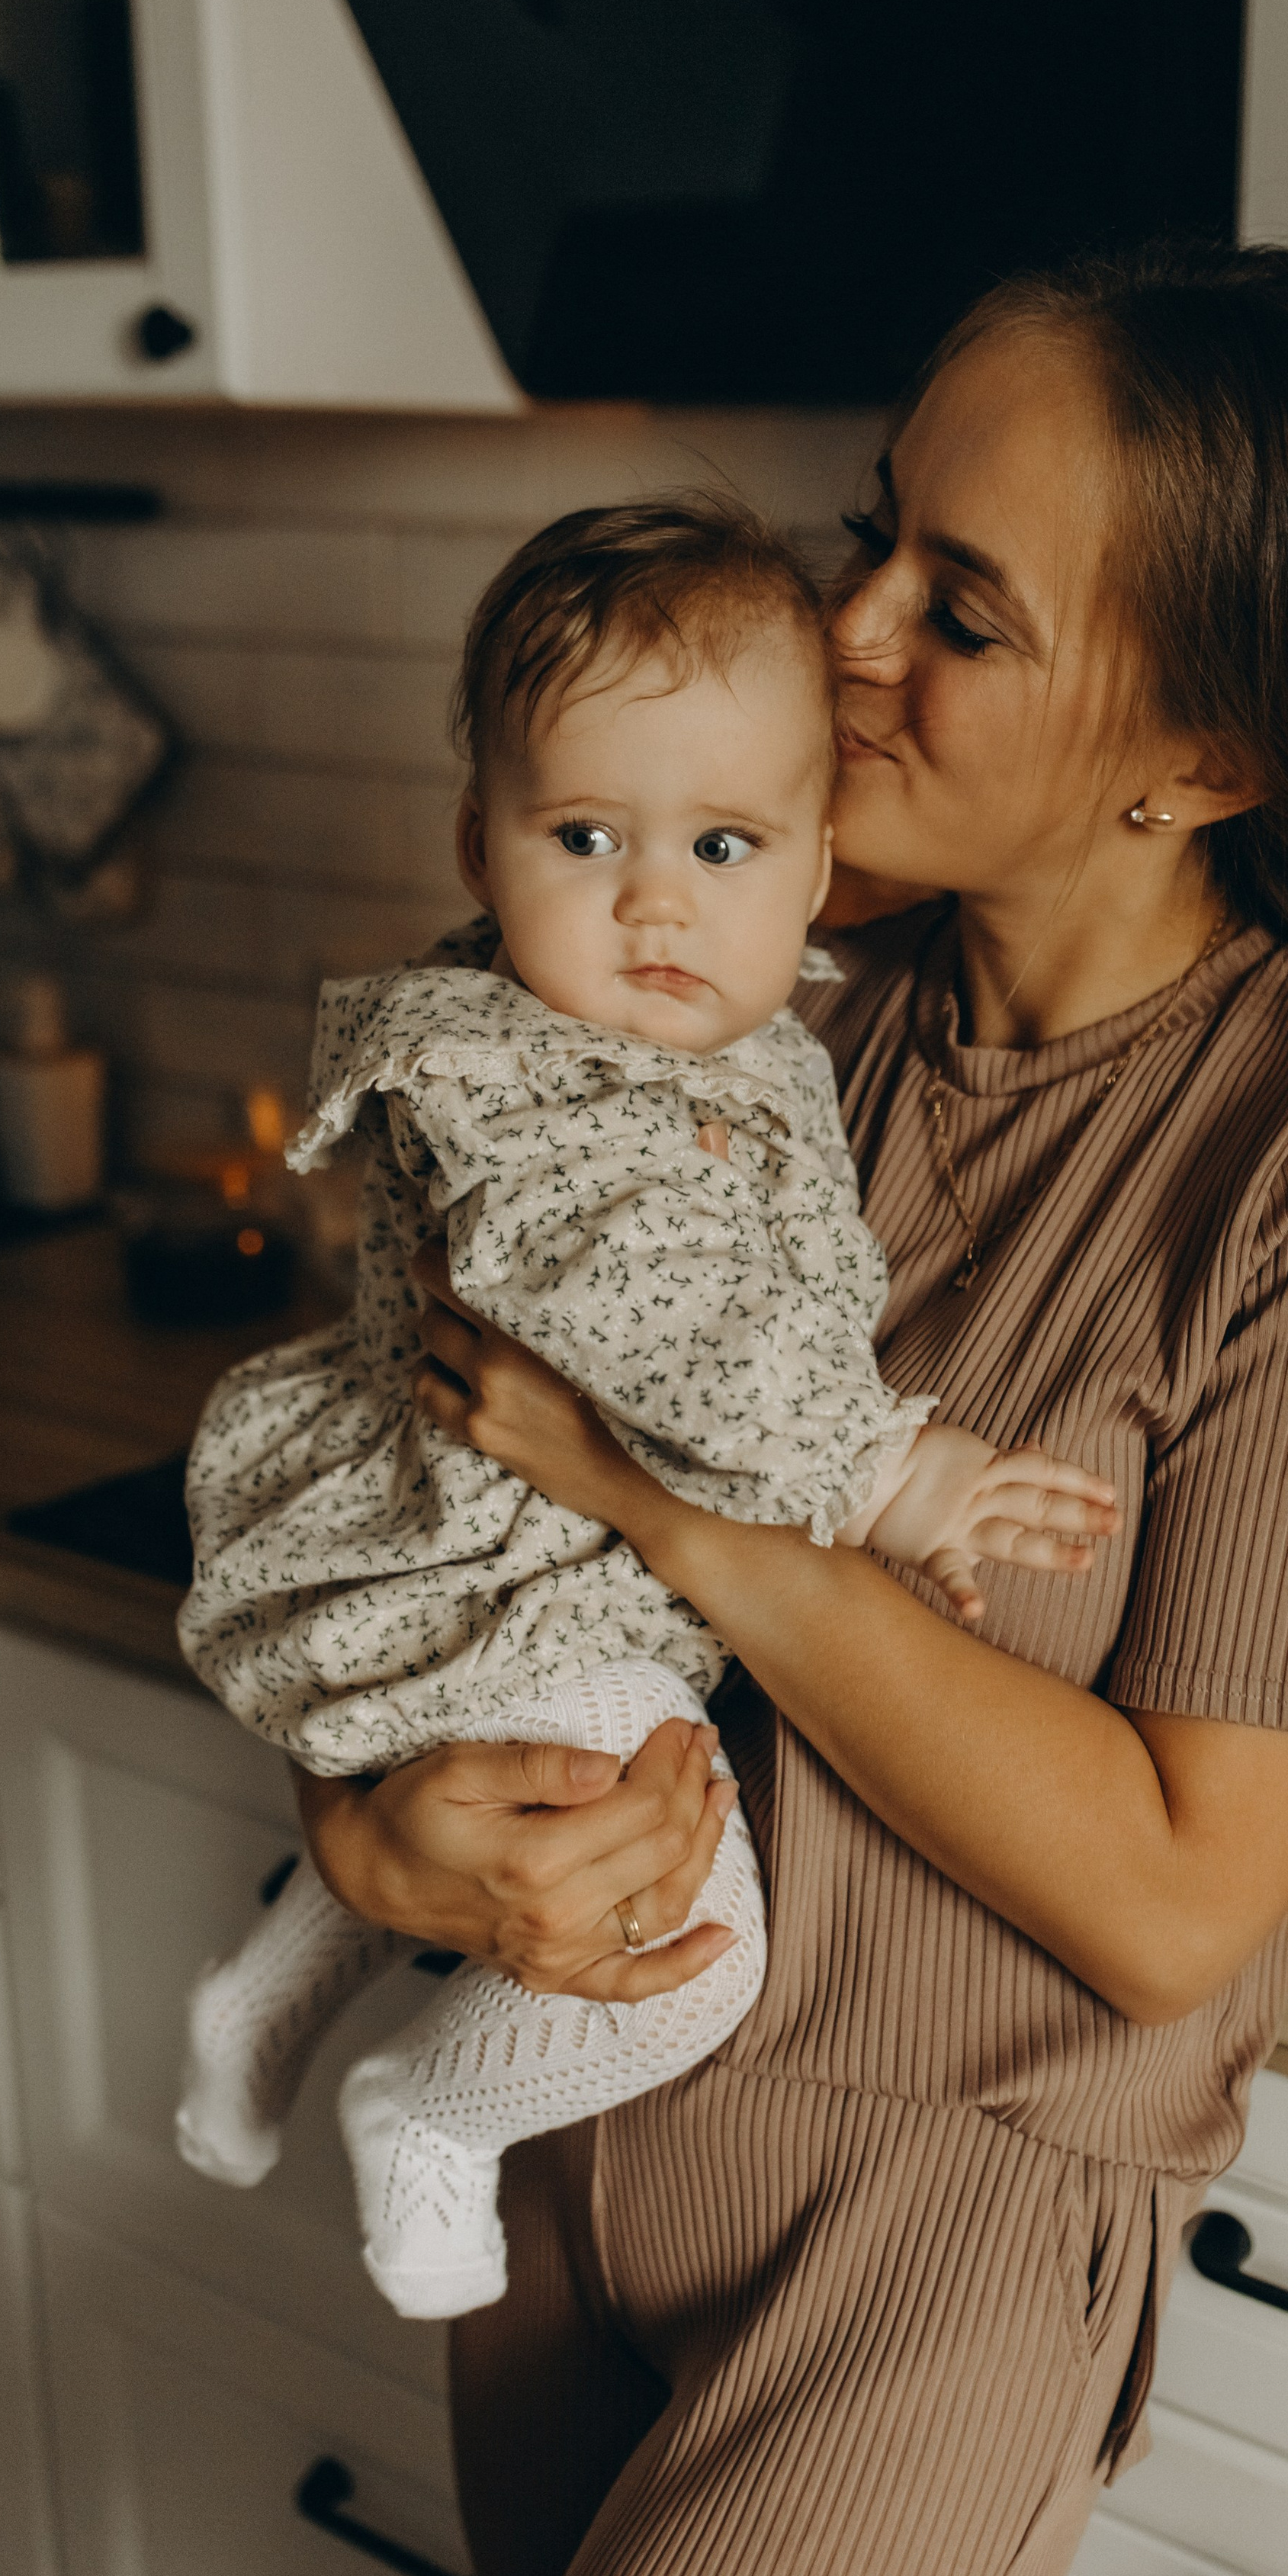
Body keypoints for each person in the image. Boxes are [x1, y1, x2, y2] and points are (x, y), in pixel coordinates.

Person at [294, 243, 1288, 2576]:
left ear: (1197, 756)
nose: (843, 632)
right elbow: (404, 1481)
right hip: (551, 2125)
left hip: (928, 2236)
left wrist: (692, 1521)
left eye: (958, 604)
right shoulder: (741, 982)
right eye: (873, 535)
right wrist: (373, 1843)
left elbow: (1175, 1899)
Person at [173, 496, 1115, 2321]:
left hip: (555, 1562)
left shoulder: (731, 1029)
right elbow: (637, 1306)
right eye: (585, 835)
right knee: (685, 1952)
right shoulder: (525, 1076)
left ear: (815, 858)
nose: (654, 901)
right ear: (482, 844)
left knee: (488, 1822)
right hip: (532, 1577)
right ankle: (434, 2109)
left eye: (723, 843)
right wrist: (883, 1469)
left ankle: (271, 1986)